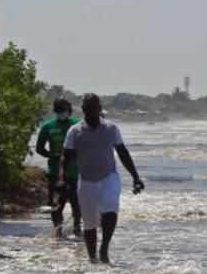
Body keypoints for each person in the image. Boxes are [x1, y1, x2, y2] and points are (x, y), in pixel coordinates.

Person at [59, 93, 144, 263]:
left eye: (95, 108)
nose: (93, 111)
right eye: (89, 108)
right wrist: (61, 181)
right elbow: (66, 157)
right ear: (83, 110)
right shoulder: (74, 131)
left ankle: (104, 248)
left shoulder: (111, 128)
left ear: (100, 109)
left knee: (110, 211)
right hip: (86, 180)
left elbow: (123, 153)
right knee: (89, 223)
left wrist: (136, 177)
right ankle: (92, 258)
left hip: (109, 177)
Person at [35, 98, 81, 236]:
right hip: (54, 172)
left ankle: (77, 228)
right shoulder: (47, 126)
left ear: (69, 110)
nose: (61, 113)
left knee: (76, 203)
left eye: (63, 110)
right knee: (56, 205)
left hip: (74, 172)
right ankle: (58, 232)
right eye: (58, 111)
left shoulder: (77, 125)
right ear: (55, 111)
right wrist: (51, 155)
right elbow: (39, 148)